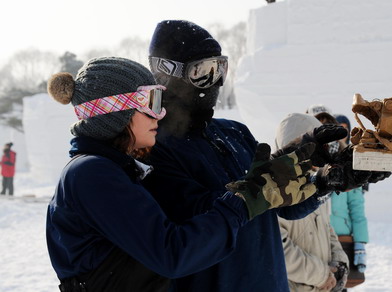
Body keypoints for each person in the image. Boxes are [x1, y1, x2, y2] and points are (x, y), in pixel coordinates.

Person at [45, 56, 318, 292]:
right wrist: (244, 202)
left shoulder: (114, 170)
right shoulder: (91, 173)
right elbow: (172, 253)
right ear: (116, 113)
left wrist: (308, 177)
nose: (159, 115)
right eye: (151, 102)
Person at [143, 20, 354, 292]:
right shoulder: (155, 149)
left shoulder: (235, 132)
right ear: (166, 74)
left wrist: (325, 182)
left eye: (221, 69)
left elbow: (284, 206)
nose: (214, 83)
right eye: (203, 72)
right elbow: (203, 223)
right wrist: (256, 191)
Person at [275, 113, 349, 292]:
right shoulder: (273, 192)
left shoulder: (314, 183)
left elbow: (326, 227)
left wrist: (340, 262)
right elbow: (279, 249)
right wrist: (322, 275)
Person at [331, 114, 369, 290]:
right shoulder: (317, 161)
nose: (342, 132)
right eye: (337, 127)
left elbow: (356, 207)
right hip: (317, 236)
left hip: (342, 237)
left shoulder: (351, 165)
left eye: (345, 128)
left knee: (341, 285)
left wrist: (360, 242)